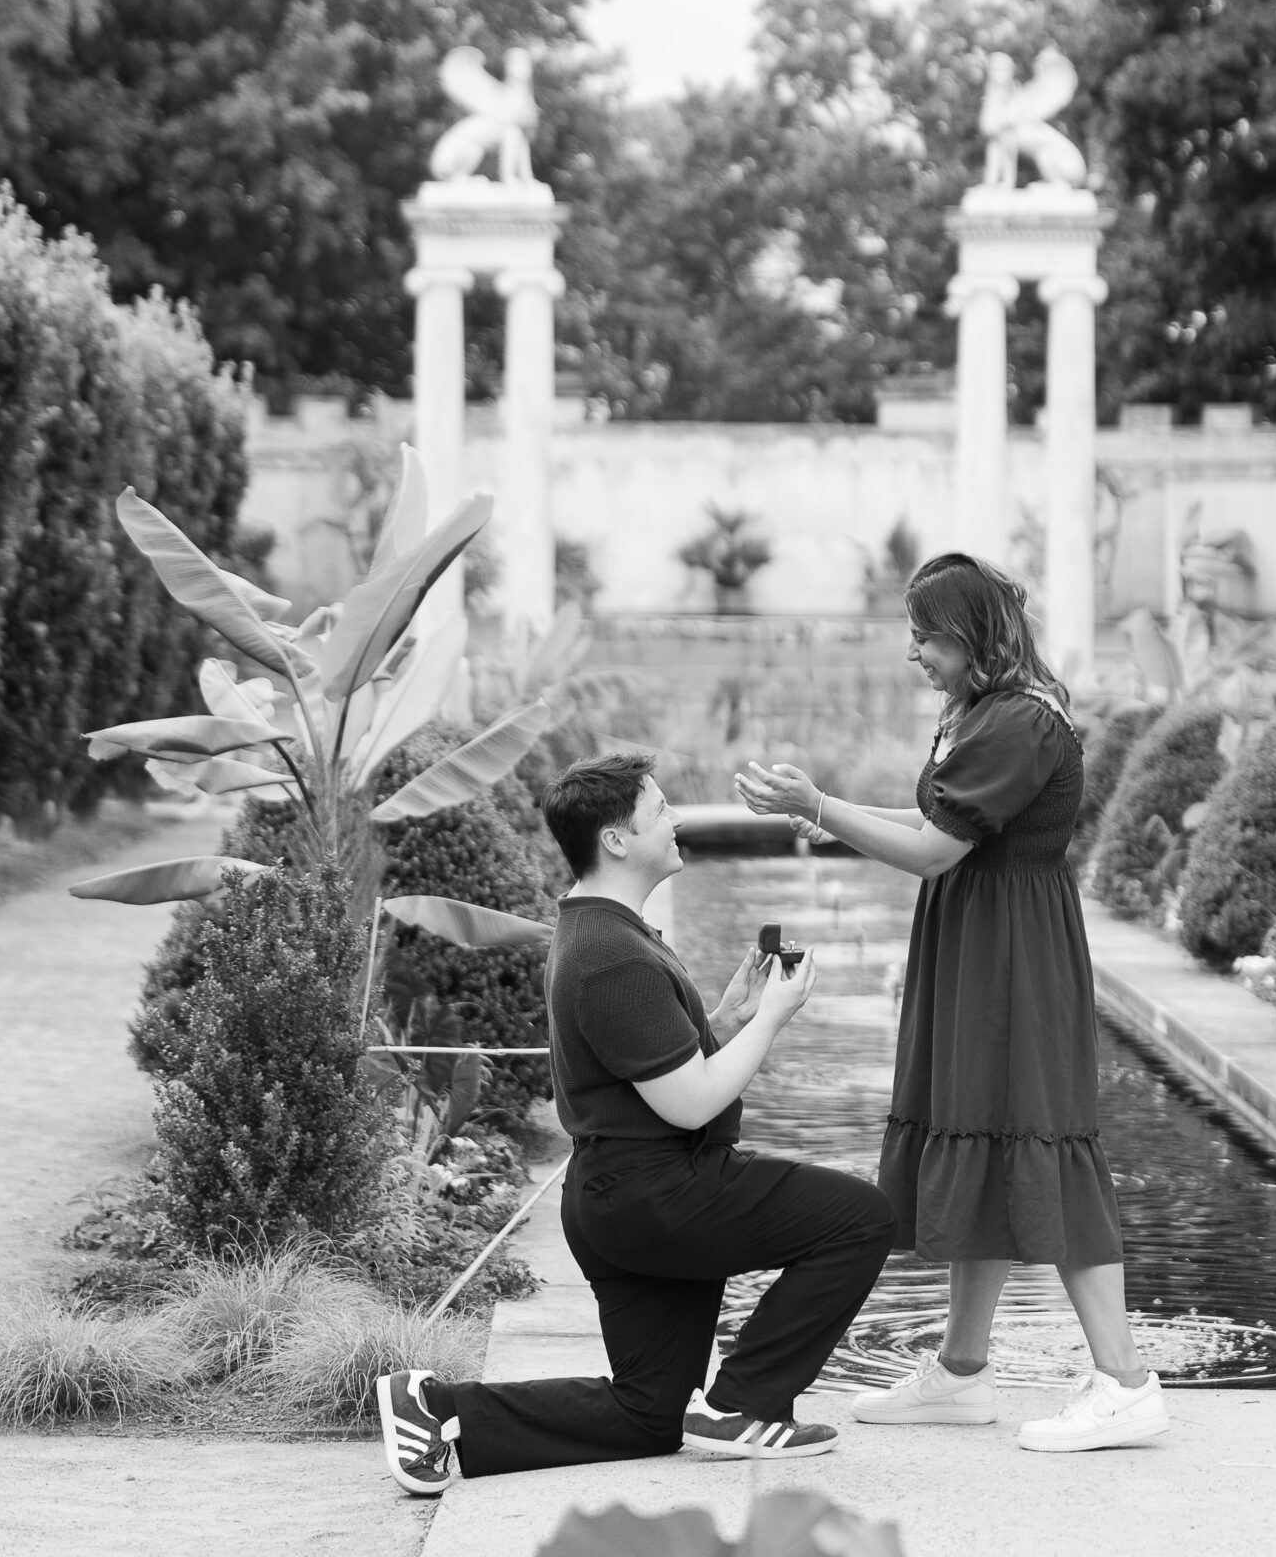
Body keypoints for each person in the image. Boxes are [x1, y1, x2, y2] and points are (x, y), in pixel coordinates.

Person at [736, 551, 1167, 1455]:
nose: (912, 654)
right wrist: (820, 810)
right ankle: (962, 1372)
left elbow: (934, 853)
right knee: (986, 1134)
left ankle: (1125, 1384)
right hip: (980, 939)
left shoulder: (1018, 722)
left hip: (1011, 952)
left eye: (924, 636)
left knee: (1040, 1140)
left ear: (969, 635)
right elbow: (938, 835)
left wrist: (818, 801)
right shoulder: (982, 710)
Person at [375, 748, 895, 1495]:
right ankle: (744, 1407)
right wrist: (773, 1020)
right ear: (616, 839)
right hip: (661, 1193)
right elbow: (689, 1103)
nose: (676, 819)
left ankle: (435, 1407)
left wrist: (727, 1016)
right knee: (858, 1219)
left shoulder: (601, 931)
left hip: (624, 1198)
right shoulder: (610, 953)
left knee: (647, 1413)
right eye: (659, 811)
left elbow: (649, 1069)